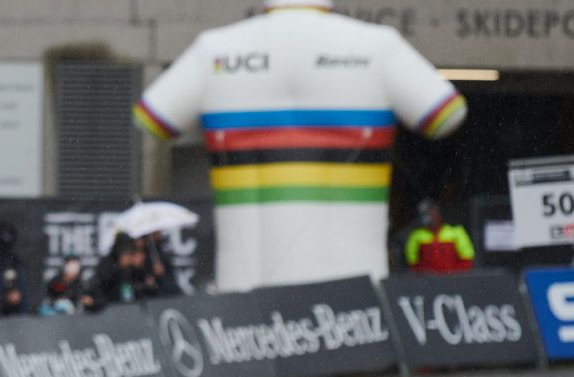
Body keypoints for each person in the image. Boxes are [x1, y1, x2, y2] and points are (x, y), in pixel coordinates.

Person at [134, 0, 466, 291]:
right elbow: (446, 115)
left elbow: (152, 119)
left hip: (247, 300)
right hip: (355, 302)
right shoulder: (378, 47)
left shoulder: (215, 50)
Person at [405, 200, 475, 274]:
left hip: (452, 281)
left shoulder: (456, 232)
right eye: (425, 214)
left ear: (438, 214)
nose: (429, 217)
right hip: (427, 282)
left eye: (431, 212)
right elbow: (412, 263)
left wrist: (453, 275)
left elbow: (467, 260)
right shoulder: (416, 235)